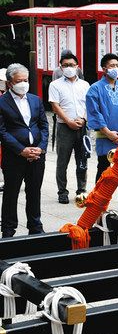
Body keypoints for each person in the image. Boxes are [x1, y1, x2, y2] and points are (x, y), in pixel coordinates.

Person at [0, 64, 48, 237]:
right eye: (19, 81)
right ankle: (8, 228)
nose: (23, 84)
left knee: (34, 191)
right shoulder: (2, 102)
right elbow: (2, 131)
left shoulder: (35, 100)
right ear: (10, 83)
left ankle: (35, 226)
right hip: (14, 156)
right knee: (11, 192)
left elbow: (43, 125)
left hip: (36, 155)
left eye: (26, 80)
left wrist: (40, 148)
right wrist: (21, 150)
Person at [86, 53, 118, 213]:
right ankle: (98, 200)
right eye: (112, 65)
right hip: (105, 135)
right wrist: (107, 132)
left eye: (117, 65)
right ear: (104, 68)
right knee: (103, 167)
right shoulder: (95, 89)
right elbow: (94, 113)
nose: (115, 68)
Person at [48, 52, 90, 204]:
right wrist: (68, 121)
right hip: (64, 126)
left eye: (72, 65)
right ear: (61, 67)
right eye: (65, 65)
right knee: (62, 161)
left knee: (82, 160)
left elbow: (88, 104)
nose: (69, 68)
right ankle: (62, 191)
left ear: (77, 66)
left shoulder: (85, 85)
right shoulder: (55, 84)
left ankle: (81, 190)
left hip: (82, 126)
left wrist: (83, 119)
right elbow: (55, 106)